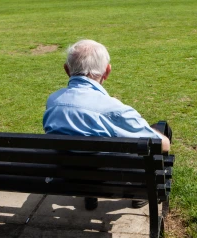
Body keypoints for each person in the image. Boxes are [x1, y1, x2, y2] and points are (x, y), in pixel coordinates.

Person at [42, 39, 171, 210]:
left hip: (67, 175)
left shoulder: (53, 101)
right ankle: (142, 192)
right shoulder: (113, 109)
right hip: (108, 177)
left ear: (67, 69)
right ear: (107, 71)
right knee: (162, 130)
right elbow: (163, 145)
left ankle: (89, 194)